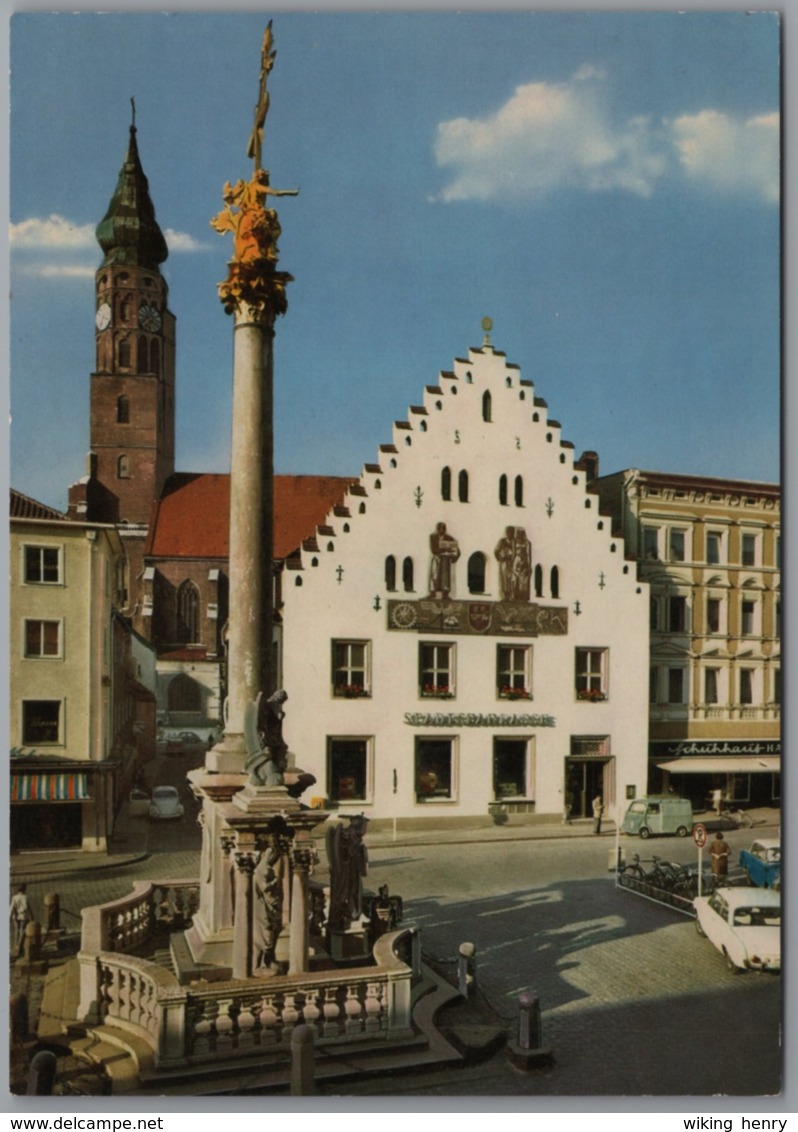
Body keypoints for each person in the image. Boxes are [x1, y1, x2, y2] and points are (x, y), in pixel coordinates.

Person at [10, 884, 32, 955]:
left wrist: (14, 916)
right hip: (23, 916)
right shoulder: (25, 897)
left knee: (17, 931)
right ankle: (19, 947)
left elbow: (12, 908)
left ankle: (15, 945)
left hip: (16, 916)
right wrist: (32, 916)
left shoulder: (14, 897)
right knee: (22, 932)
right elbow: (28, 908)